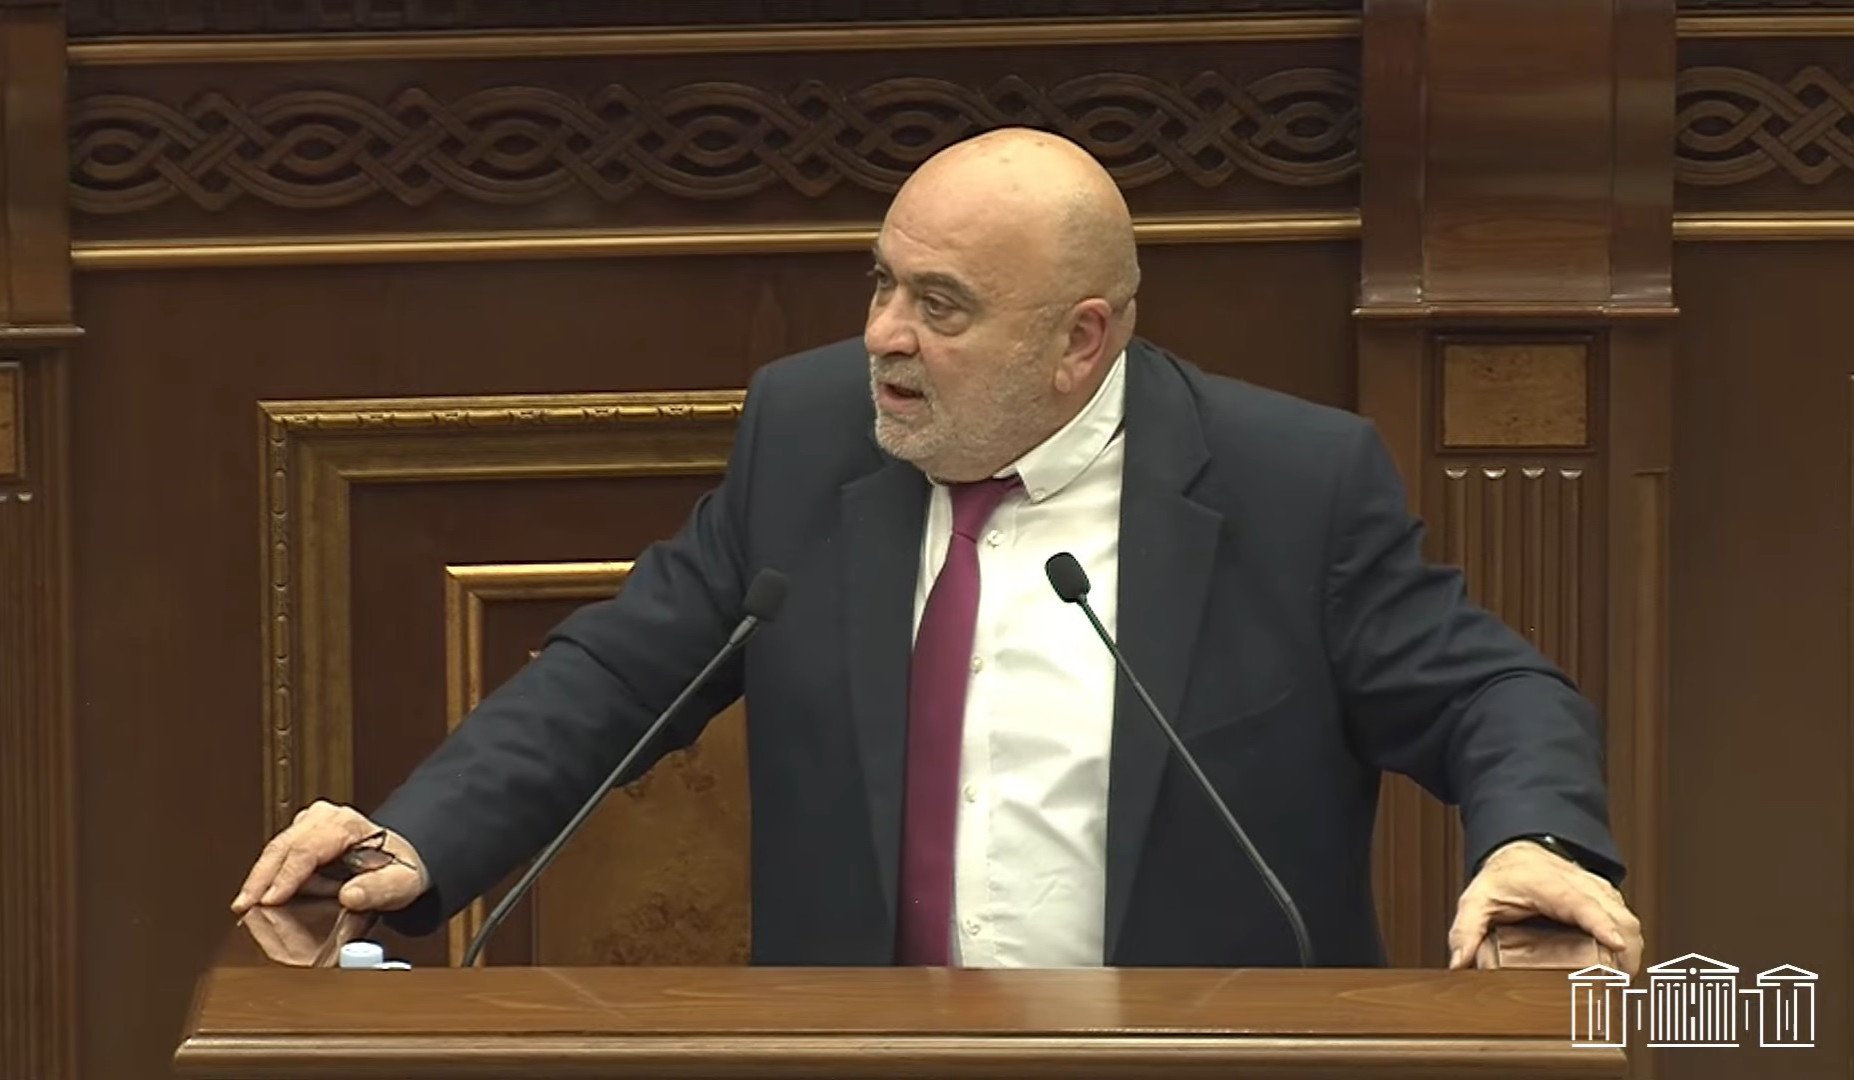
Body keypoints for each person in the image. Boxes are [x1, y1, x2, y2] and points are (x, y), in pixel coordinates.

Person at [232, 127, 1644, 973]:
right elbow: (616, 673)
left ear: (1081, 340)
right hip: (863, 1048)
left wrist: (1532, 839)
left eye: (941, 305)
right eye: (882, 283)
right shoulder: (808, 436)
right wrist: (418, 840)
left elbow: (1490, 694)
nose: (883, 337)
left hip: (1195, 1049)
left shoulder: (1288, 484)